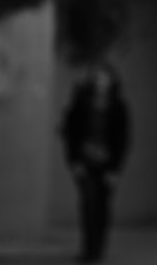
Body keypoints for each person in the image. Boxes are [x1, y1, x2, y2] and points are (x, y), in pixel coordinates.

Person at [60, 62, 131, 263]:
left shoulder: (118, 106)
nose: (101, 82)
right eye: (98, 78)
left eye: (105, 78)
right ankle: (88, 248)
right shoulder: (82, 103)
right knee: (88, 204)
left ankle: (98, 248)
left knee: (102, 206)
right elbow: (71, 132)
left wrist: (115, 169)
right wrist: (74, 161)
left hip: (107, 164)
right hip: (85, 161)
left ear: (111, 81)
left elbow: (122, 139)